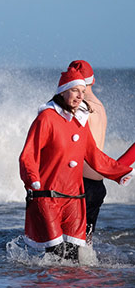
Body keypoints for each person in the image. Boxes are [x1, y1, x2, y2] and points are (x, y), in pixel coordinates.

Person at [19, 67, 133, 261]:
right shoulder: (46, 118)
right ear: (63, 91)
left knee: (73, 257)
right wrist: (32, 179)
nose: (80, 96)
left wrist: (119, 172)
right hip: (49, 196)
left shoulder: (81, 120)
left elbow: (94, 154)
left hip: (75, 198)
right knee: (54, 255)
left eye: (82, 91)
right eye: (74, 91)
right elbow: (28, 154)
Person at [67, 60, 107, 243]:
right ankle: (88, 272)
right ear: (94, 80)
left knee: (69, 243)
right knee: (86, 241)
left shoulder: (82, 107)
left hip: (81, 184)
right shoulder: (99, 106)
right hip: (97, 183)